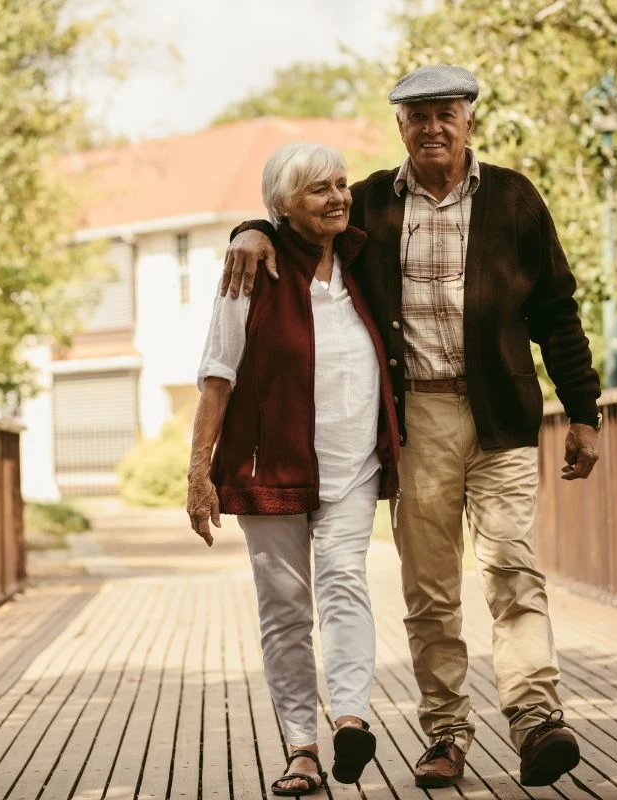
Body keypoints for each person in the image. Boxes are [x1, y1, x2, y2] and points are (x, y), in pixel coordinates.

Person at [220, 65, 602, 789]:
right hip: (415, 417)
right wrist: (250, 230)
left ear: (469, 121)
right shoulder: (367, 203)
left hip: (503, 412)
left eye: (445, 114)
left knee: (512, 567)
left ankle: (535, 720)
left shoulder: (515, 198)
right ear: (400, 127)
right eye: (417, 116)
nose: (432, 127)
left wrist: (583, 411)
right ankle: (446, 732)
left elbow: (557, 308)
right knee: (431, 588)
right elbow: (300, 216)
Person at [186, 142, 401, 796]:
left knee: (345, 586)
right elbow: (217, 380)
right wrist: (199, 474)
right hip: (269, 468)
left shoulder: (367, 263)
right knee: (284, 608)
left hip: (353, 467)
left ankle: (351, 718)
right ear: (282, 206)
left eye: (341, 185)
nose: (338, 197)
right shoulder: (252, 271)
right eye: (318, 190)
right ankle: (302, 747)